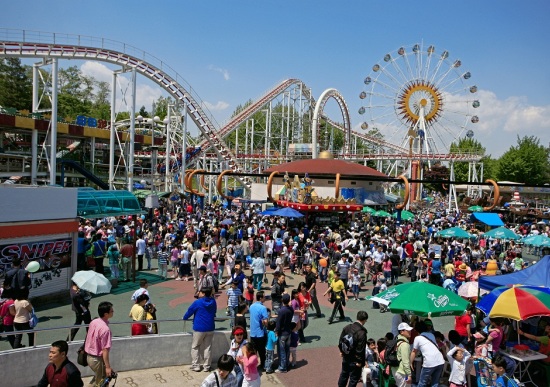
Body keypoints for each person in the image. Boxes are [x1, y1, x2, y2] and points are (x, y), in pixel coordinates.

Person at [183, 286, 217, 372]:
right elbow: (214, 312)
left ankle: (196, 365)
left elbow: (189, 311)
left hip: (199, 328)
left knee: (195, 346)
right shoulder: (213, 301)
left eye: (200, 292)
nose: (199, 293)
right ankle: (207, 366)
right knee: (208, 347)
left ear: (204, 293)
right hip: (210, 327)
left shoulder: (197, 302)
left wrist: (185, 317)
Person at [85, 301, 115, 387]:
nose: (113, 311)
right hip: (96, 359)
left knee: (98, 379)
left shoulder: (94, 322)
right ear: (106, 314)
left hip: (89, 357)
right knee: (102, 383)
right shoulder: (105, 330)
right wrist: (108, 367)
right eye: (111, 311)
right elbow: (105, 349)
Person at [337, 310, 369, 387]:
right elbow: (360, 349)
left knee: (344, 374)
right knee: (353, 379)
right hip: (355, 360)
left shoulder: (347, 327)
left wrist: (342, 351)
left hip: (346, 355)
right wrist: (359, 361)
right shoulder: (362, 332)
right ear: (365, 320)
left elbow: (341, 340)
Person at [410, 320, 445, 387]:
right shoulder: (431, 335)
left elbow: (414, 352)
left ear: (417, 330)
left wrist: (410, 362)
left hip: (429, 363)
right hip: (440, 361)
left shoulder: (418, 338)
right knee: (435, 383)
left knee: (422, 383)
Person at [249, 291, 269, 369]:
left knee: (253, 351)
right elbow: (265, 322)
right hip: (260, 333)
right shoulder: (263, 308)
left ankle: (253, 365)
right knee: (262, 351)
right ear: (260, 298)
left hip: (253, 332)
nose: (265, 298)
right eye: (264, 297)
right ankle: (263, 365)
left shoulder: (251, 306)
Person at [275, 293, 293, 374]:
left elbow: (278, 323)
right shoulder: (291, 309)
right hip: (288, 331)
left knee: (281, 350)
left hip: (282, 333)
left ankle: (282, 367)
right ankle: (287, 363)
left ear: (282, 300)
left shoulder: (281, 310)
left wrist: (277, 331)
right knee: (287, 349)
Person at [391, 322, 413, 387]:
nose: (410, 332)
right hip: (402, 372)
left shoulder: (396, 340)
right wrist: (409, 375)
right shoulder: (405, 344)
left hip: (395, 370)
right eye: (407, 330)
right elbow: (405, 361)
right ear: (401, 332)